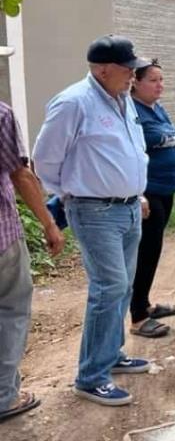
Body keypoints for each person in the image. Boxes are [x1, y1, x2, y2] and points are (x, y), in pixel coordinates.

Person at [33, 34, 153, 406]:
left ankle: (111, 354)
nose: (133, 75)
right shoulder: (73, 103)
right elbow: (45, 160)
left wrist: (135, 190)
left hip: (129, 207)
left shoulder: (121, 100)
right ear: (102, 69)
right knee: (109, 287)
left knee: (123, 285)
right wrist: (73, 192)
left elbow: (129, 151)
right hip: (94, 209)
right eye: (126, 69)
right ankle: (90, 375)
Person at [0, 102, 64, 422]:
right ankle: (4, 396)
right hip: (2, 239)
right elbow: (21, 175)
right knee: (10, 311)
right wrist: (50, 224)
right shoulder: (0, 113)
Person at [129, 60, 175, 338]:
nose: (160, 85)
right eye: (153, 80)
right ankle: (137, 316)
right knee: (146, 251)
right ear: (135, 82)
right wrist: (167, 137)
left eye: (161, 79)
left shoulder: (156, 108)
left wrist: (166, 137)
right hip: (148, 191)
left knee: (154, 250)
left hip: (165, 189)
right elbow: (153, 139)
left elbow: (169, 135)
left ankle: (145, 304)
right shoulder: (132, 111)